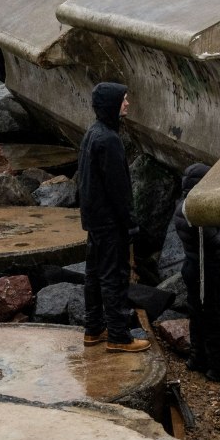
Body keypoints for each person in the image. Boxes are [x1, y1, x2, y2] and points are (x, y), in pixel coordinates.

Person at [79, 82, 149, 353]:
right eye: (123, 100)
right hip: (109, 223)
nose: (127, 103)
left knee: (93, 275)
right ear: (112, 104)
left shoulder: (92, 133)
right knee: (114, 277)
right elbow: (119, 189)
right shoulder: (109, 140)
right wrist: (130, 223)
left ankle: (93, 328)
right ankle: (119, 336)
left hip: (94, 220)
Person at [173, 163, 220, 382]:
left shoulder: (181, 206)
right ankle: (218, 368)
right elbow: (214, 240)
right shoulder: (197, 211)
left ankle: (197, 358)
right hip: (205, 270)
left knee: (197, 314)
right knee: (216, 316)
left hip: (191, 266)